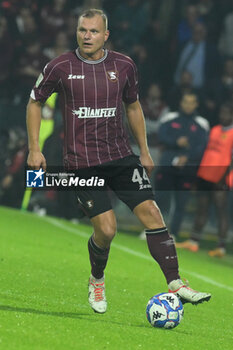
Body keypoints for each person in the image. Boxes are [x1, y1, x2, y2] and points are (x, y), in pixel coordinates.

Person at [26, 9, 211, 314]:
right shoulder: (60, 66)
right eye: (82, 30)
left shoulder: (123, 65)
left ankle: (177, 283)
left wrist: (145, 150)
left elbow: (134, 106)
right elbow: (35, 102)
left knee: (152, 213)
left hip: (121, 156)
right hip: (82, 162)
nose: (87, 36)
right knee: (107, 230)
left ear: (105, 35)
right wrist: (35, 149)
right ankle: (97, 279)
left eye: (93, 31)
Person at [176, 102, 233, 257]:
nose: (223, 116)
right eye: (222, 112)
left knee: (221, 212)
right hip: (204, 175)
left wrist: (223, 179)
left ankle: (221, 247)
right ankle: (194, 241)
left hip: (220, 179)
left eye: (227, 113)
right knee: (201, 208)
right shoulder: (214, 130)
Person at [154, 91, 209, 238]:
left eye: (191, 102)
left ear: (196, 104)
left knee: (181, 202)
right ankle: (152, 229)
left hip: (187, 169)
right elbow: (161, 136)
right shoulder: (170, 117)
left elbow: (202, 147)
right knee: (159, 198)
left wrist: (188, 157)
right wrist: (175, 142)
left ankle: (174, 233)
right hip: (167, 164)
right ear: (181, 102)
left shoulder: (202, 123)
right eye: (186, 101)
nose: (188, 105)